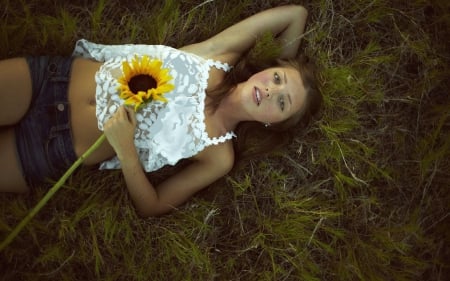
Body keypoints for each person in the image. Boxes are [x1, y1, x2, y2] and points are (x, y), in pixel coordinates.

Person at [0, 5, 321, 217]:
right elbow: (296, 14)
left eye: (282, 103)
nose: (271, 90)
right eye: (277, 79)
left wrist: (126, 151)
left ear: (273, 124)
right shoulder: (219, 56)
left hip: (48, 149)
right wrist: (279, 64)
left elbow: (151, 206)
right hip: (51, 80)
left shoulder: (218, 155)